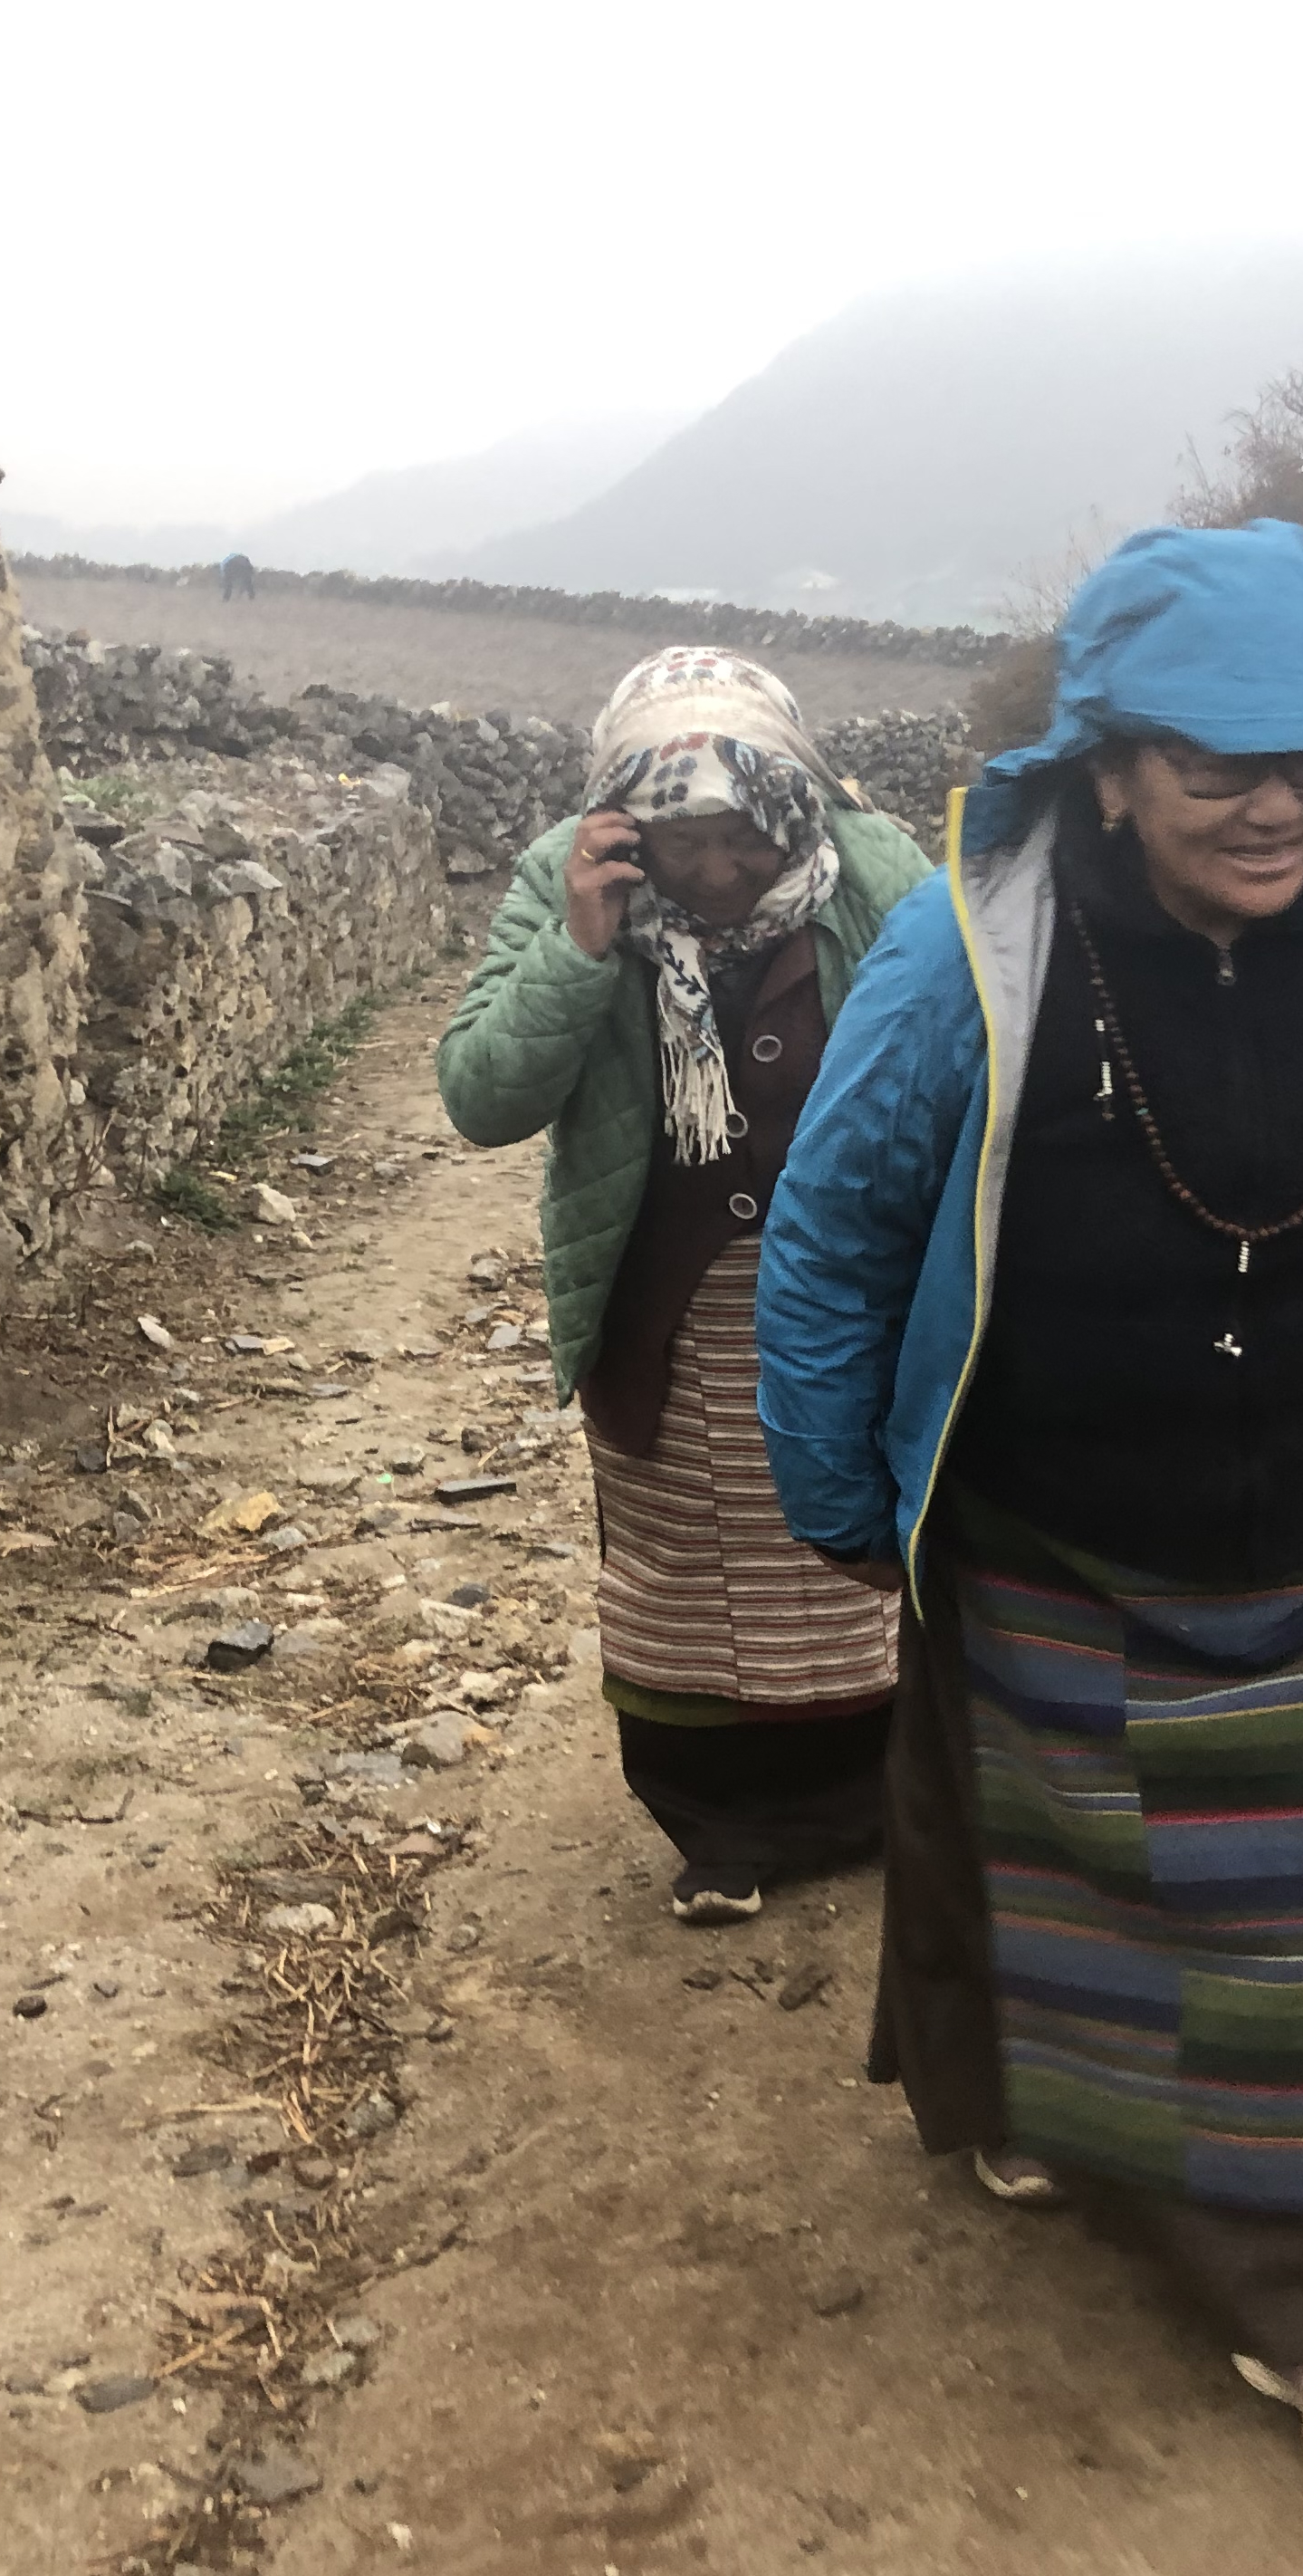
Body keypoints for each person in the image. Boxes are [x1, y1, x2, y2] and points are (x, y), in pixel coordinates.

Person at [754, 522, 1303, 2470]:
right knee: (1051, 1849)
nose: (1278, 807)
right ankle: (1019, 2096)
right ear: (1108, 763)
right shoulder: (976, 945)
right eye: (1218, 764)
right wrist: (837, 1479)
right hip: (1058, 1514)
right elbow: (838, 1231)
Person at [438, 649, 934, 1924]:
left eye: (742, 836)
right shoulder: (572, 883)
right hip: (673, 1307)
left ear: (792, 804)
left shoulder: (878, 878)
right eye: (681, 841)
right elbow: (484, 1097)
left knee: (855, 1554)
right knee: (690, 1571)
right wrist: (580, 946)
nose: (715, 871)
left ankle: (880, 1801)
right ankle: (722, 1826)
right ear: (624, 826)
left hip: (849, 1296)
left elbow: (960, 1055)